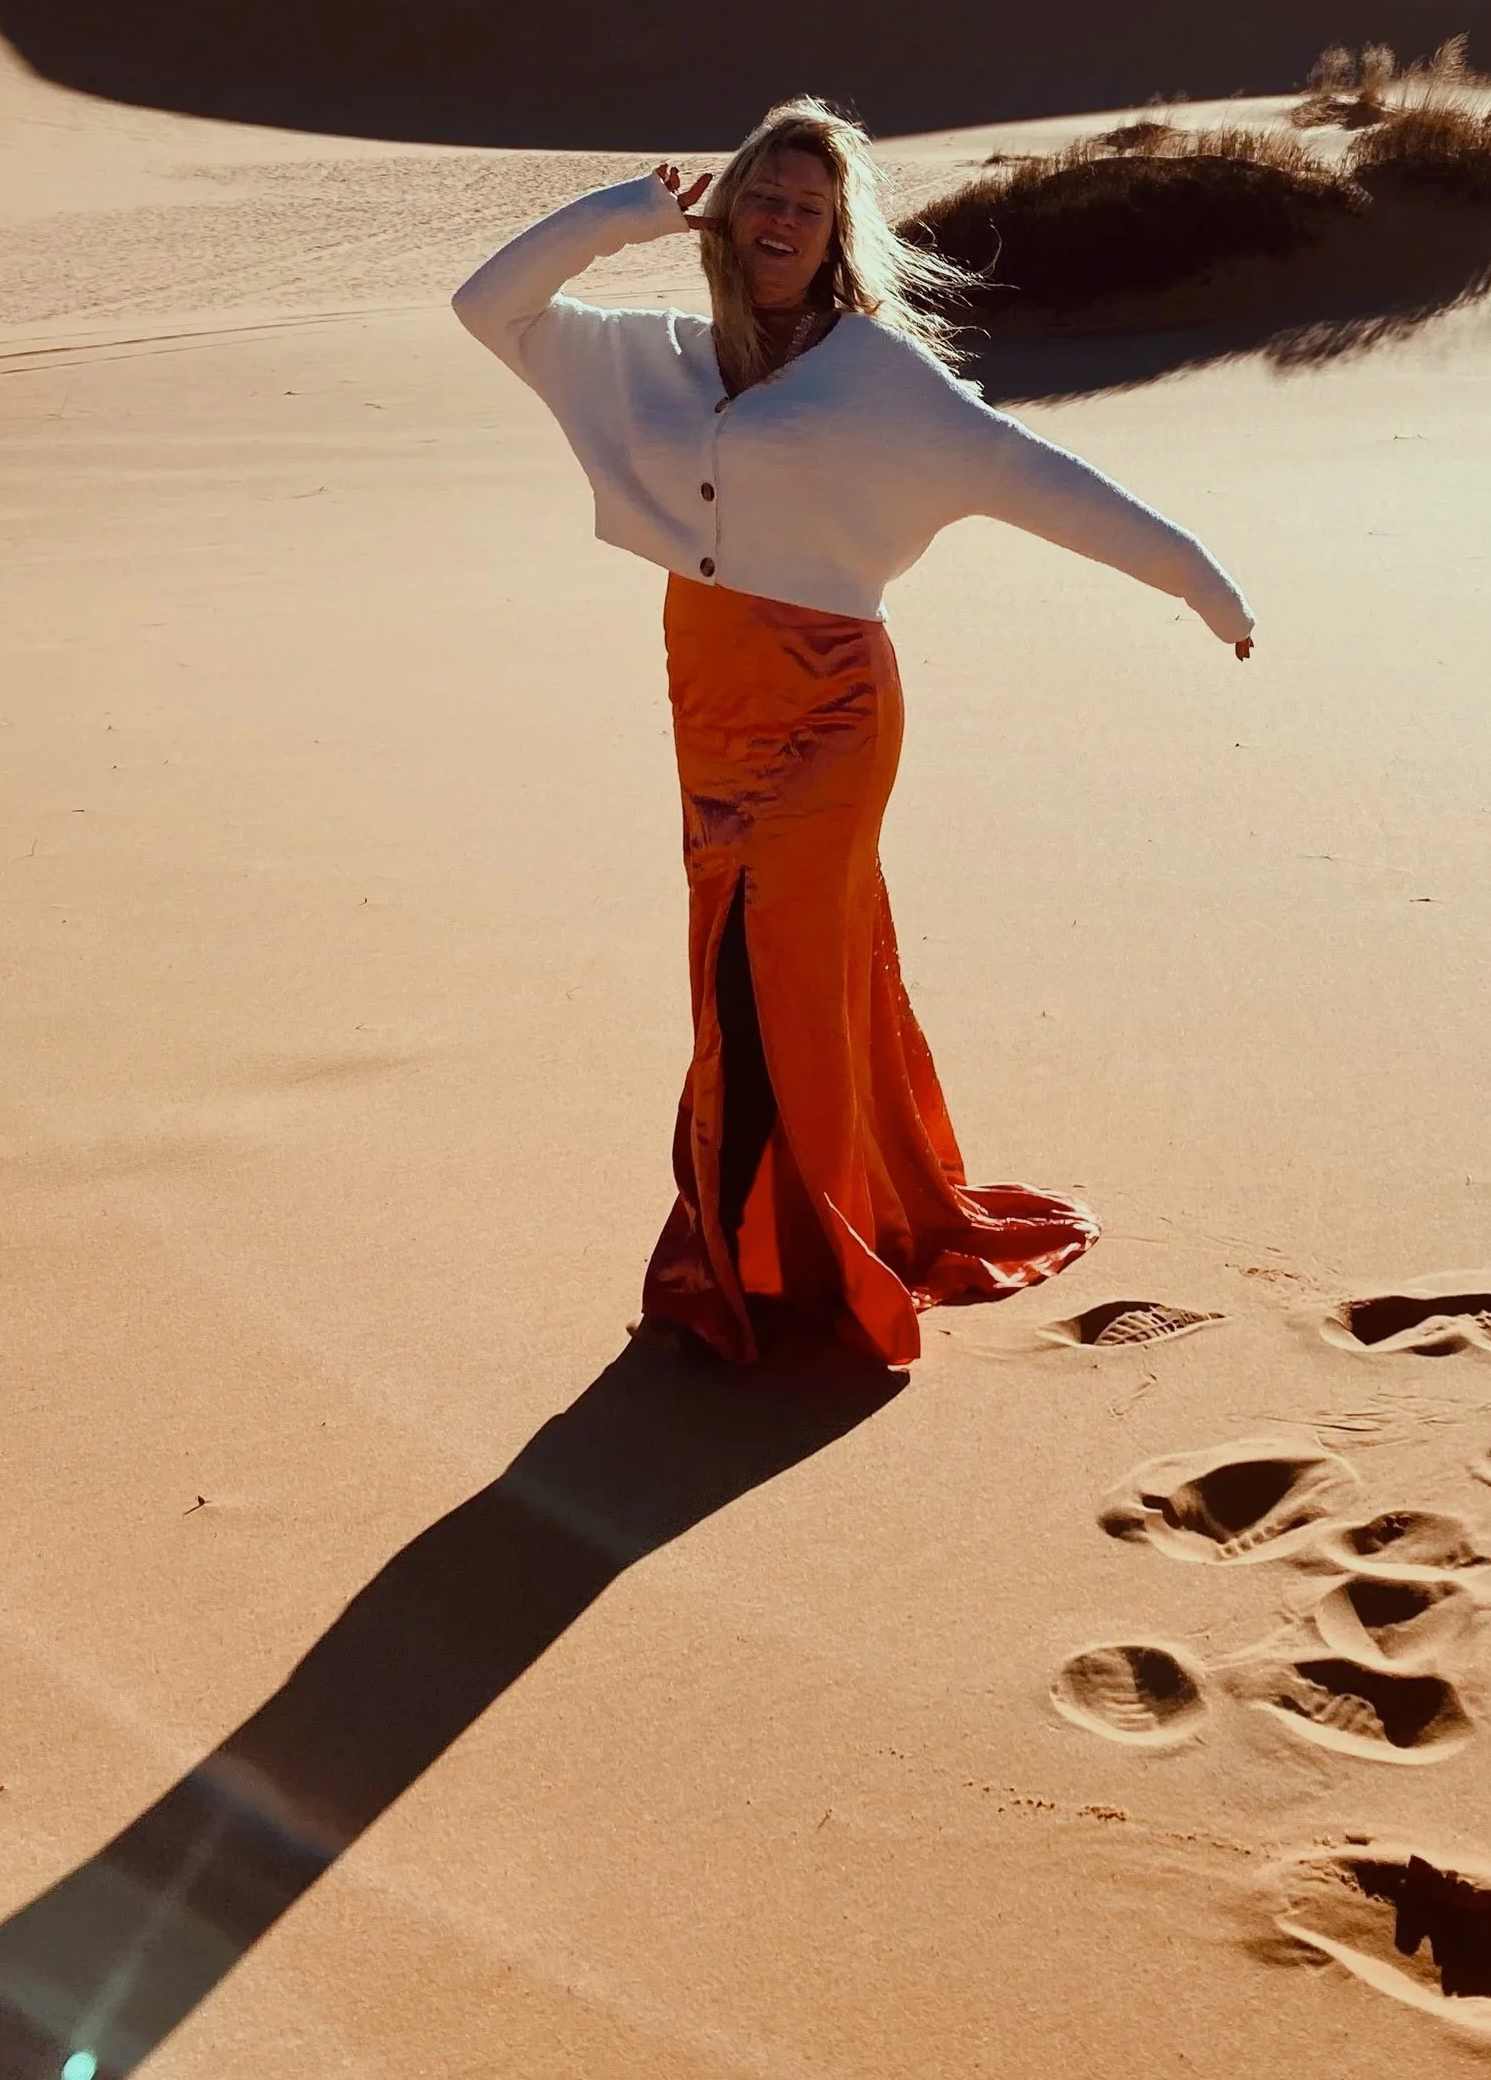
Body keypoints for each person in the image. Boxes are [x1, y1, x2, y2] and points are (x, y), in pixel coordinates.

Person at [452, 96, 1255, 1370]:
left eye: (807, 207)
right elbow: (486, 307)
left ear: (836, 236)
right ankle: (792, 1225)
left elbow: (1033, 477)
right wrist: (619, 218)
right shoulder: (647, 352)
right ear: (723, 212)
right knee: (746, 967)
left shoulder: (879, 374)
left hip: (829, 708)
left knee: (772, 973)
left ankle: (802, 1262)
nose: (780, 219)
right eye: (762, 195)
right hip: (711, 698)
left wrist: (1202, 585)